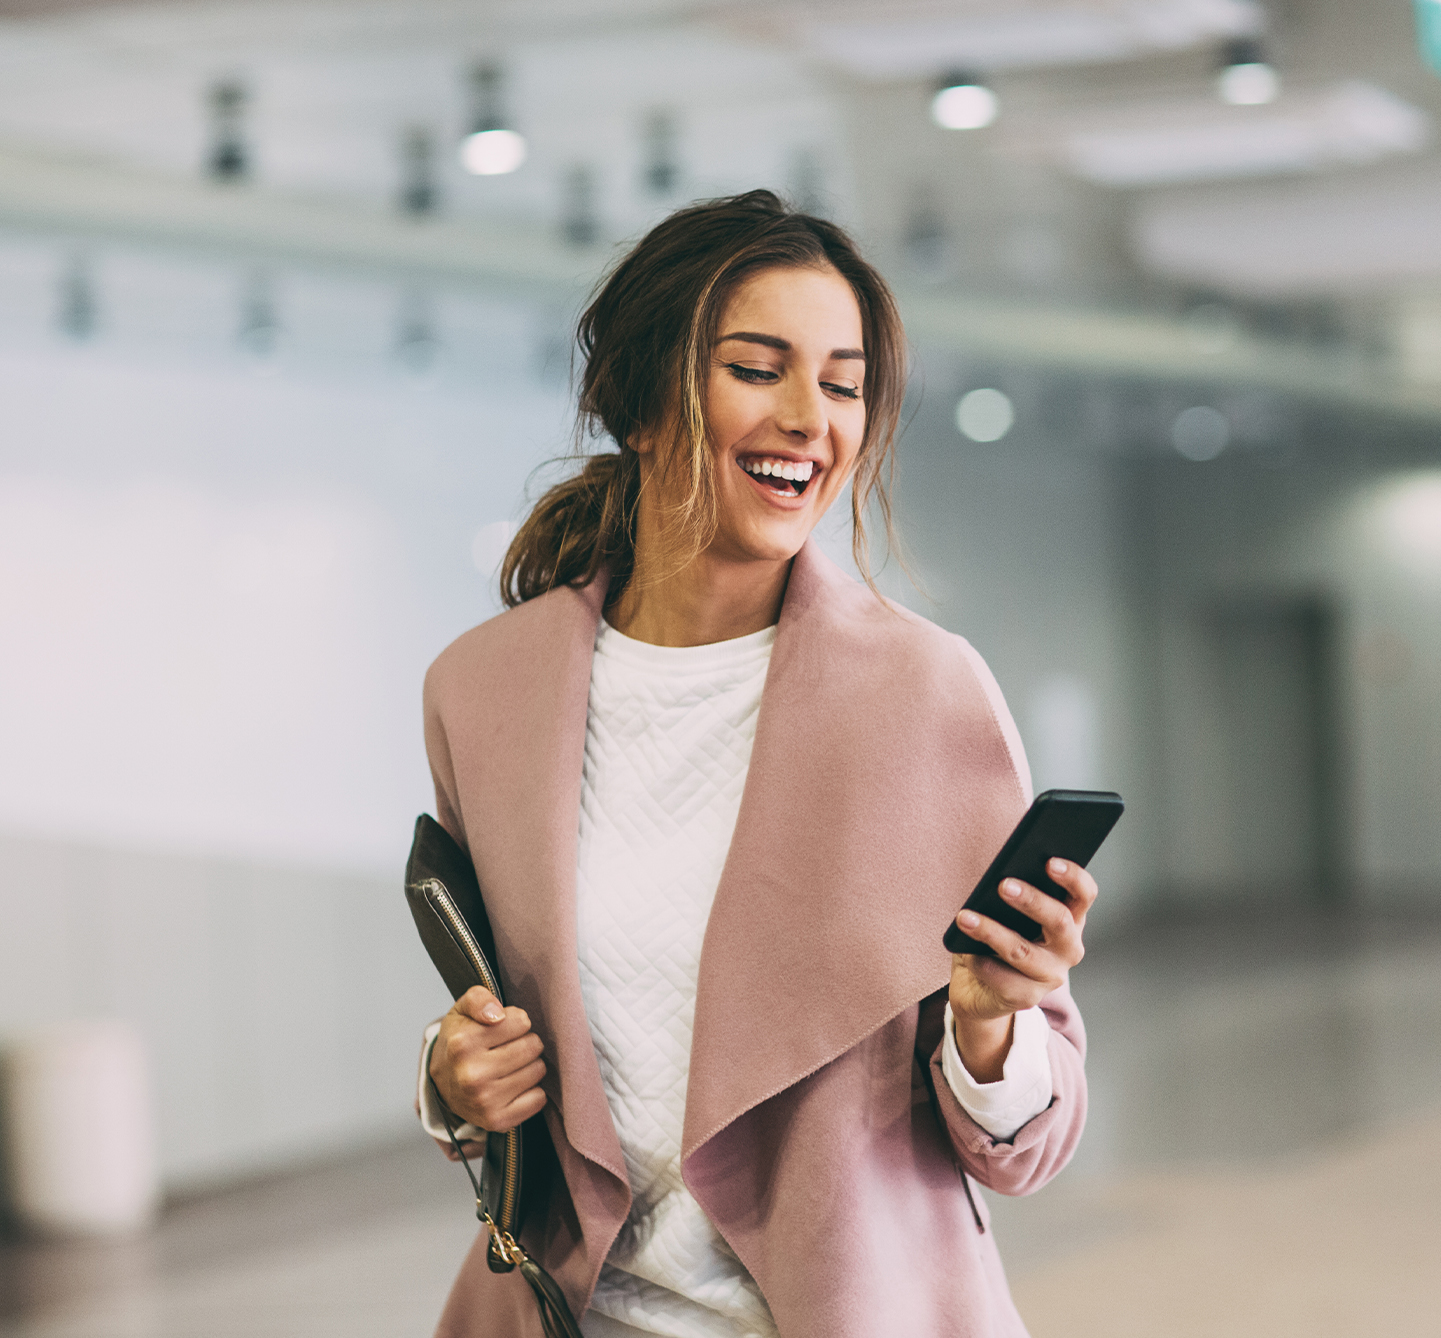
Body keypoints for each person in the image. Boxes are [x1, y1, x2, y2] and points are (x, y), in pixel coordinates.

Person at [415, 190, 1096, 1338]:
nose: (807, 420)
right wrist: (456, 1085)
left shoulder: (925, 695)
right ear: (639, 402)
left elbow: (1030, 1141)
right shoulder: (483, 693)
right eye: (757, 369)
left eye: (841, 384)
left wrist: (990, 1026)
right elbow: (512, 1040)